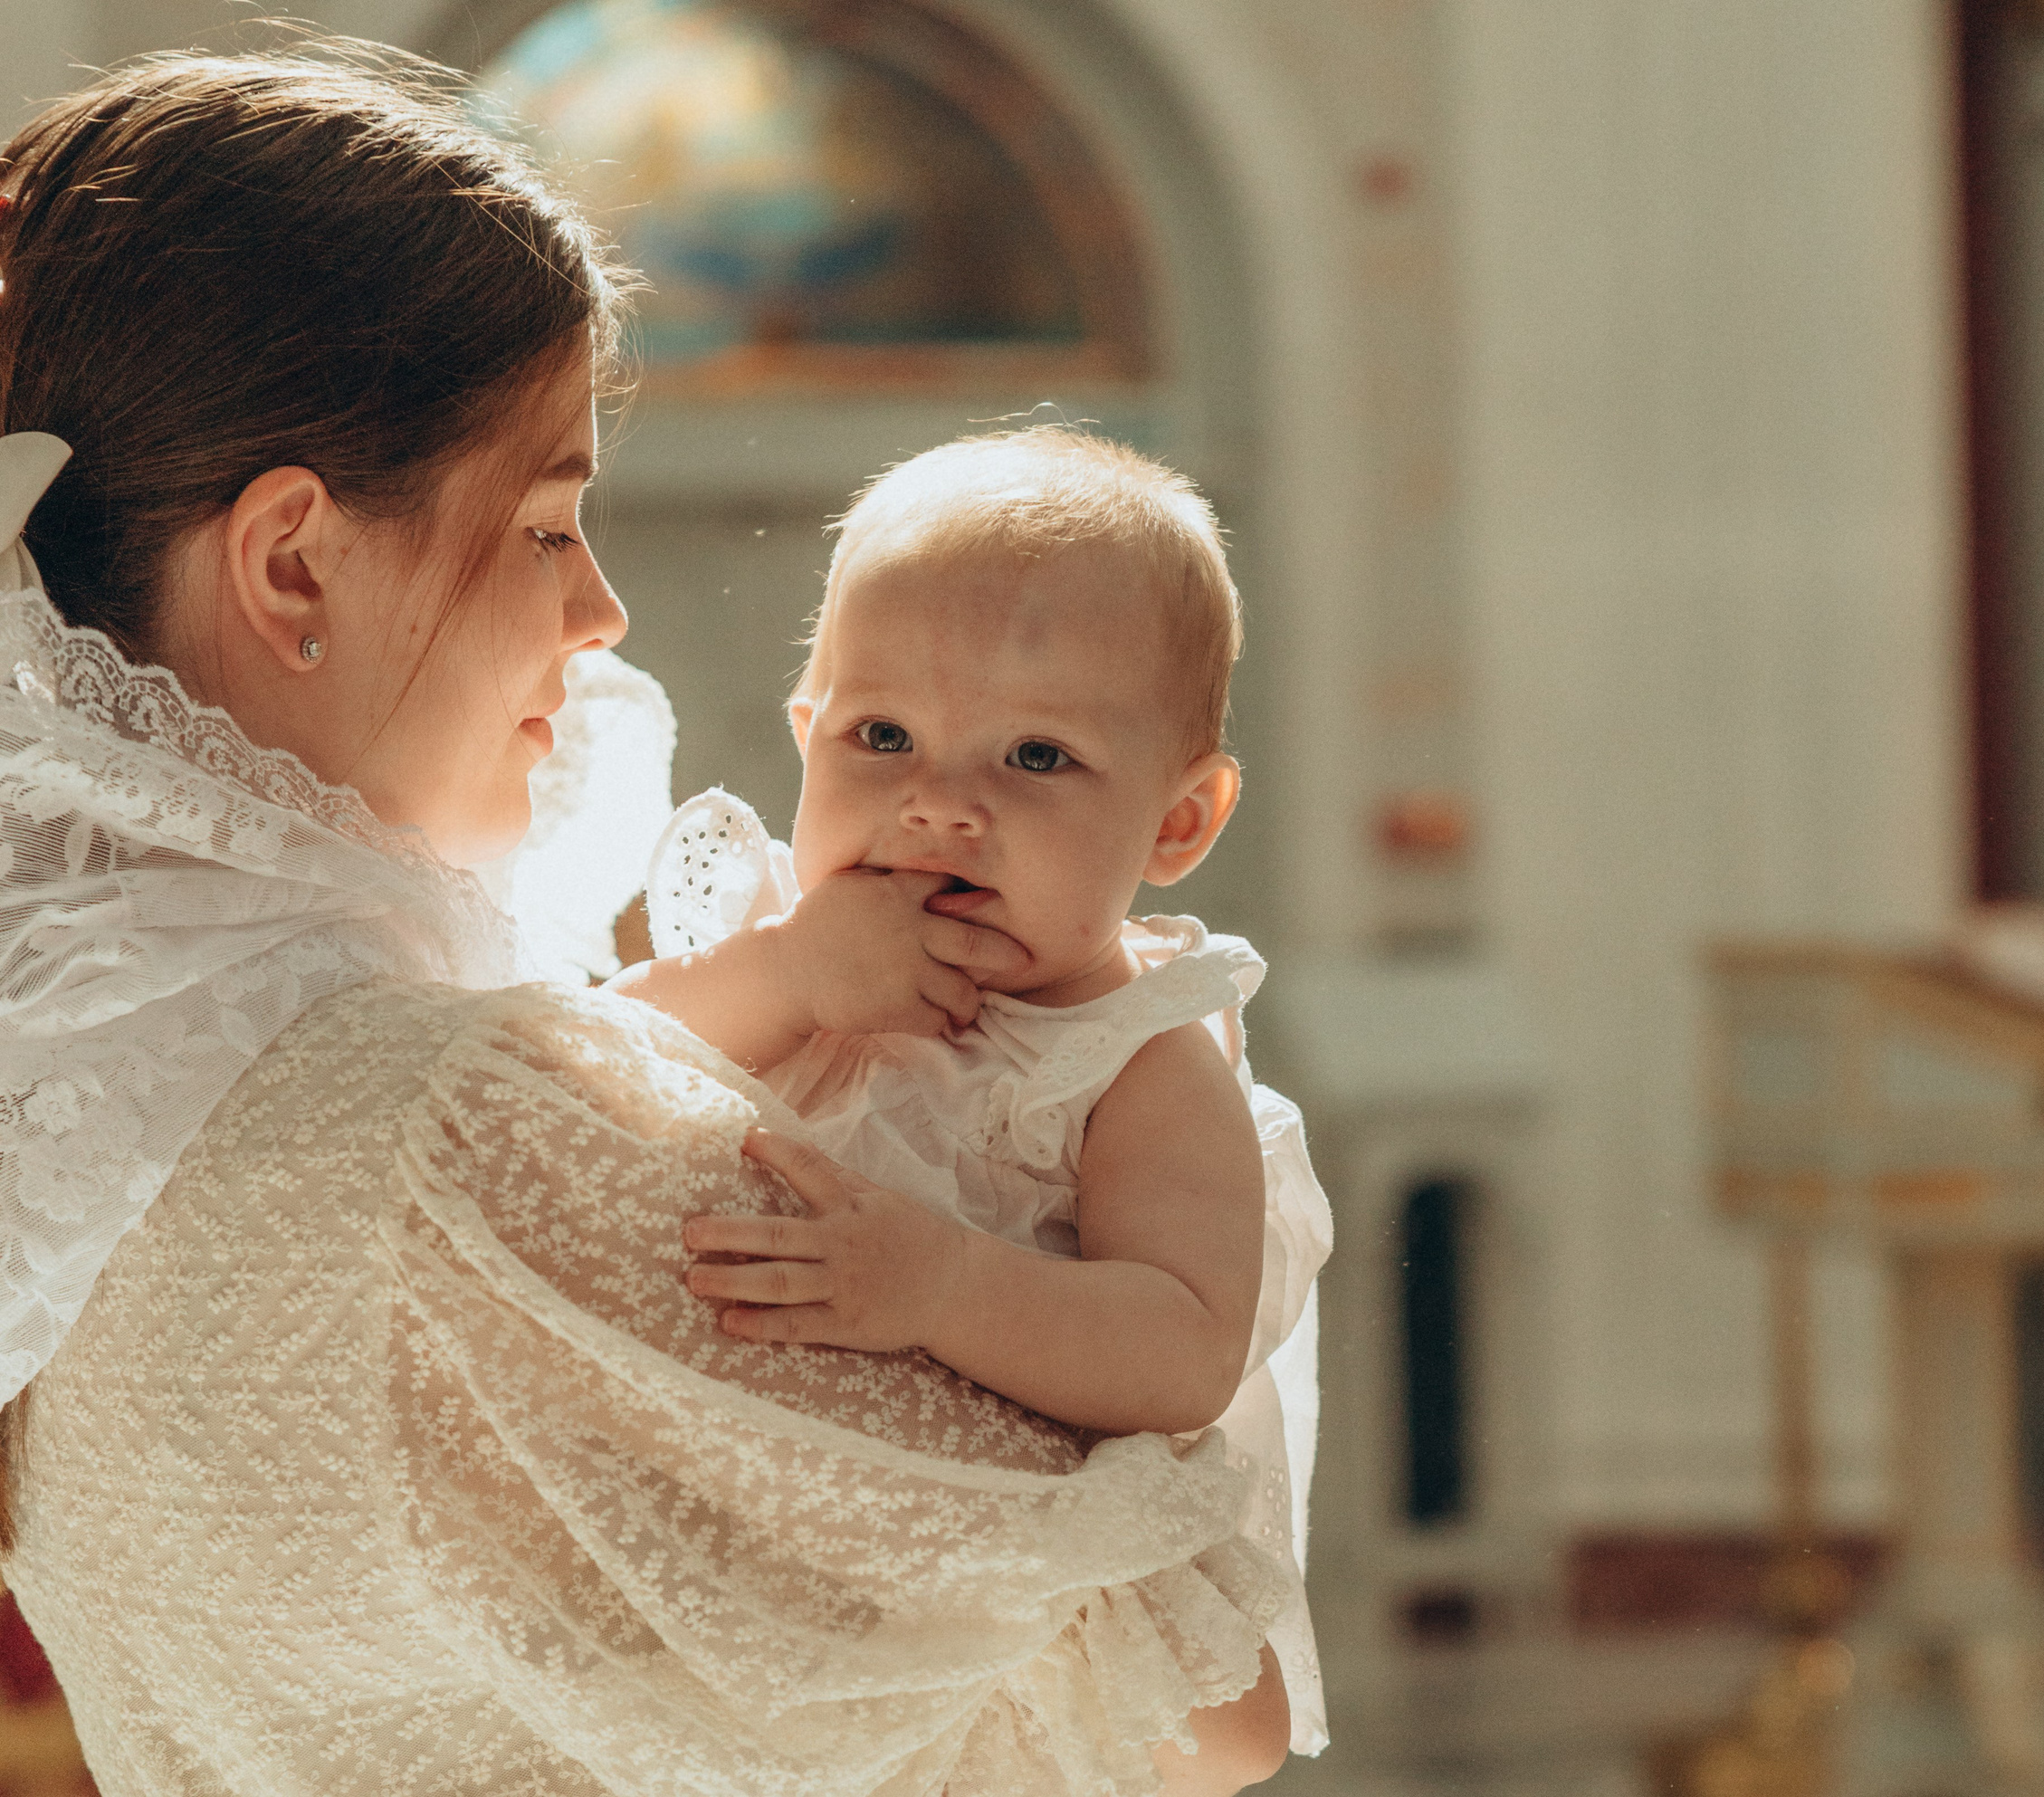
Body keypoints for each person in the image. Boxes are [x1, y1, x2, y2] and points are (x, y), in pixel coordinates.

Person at [0, 45, 1290, 1794]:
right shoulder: (462, 1131)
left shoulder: (69, 1128)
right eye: (548, 522)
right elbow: (1201, 1708)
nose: (602, 610)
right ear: (295, 562)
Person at [610, 428, 1331, 1750]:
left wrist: (940, 1285)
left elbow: (1183, 1345)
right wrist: (783, 974)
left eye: (1035, 757)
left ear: (1177, 823)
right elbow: (587, 1073)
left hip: (999, 1584)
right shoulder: (776, 941)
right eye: (883, 736)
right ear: (805, 734)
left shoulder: (1135, 1062)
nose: (938, 806)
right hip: (732, 1531)